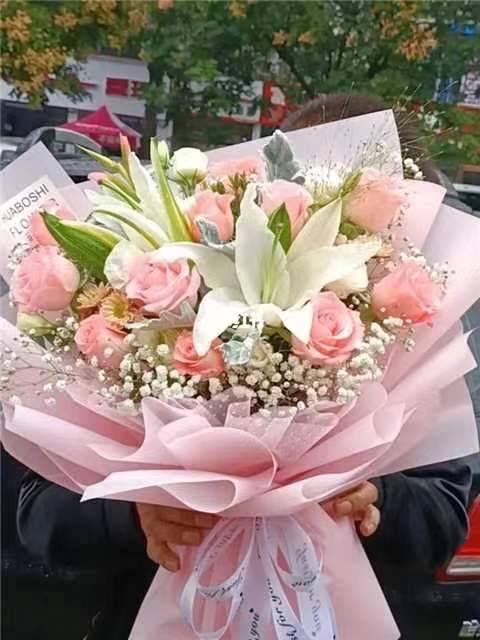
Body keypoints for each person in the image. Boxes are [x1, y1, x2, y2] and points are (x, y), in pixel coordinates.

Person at [16, 94, 479, 640]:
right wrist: (135, 513)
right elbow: (38, 513)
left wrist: (381, 498)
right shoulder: (147, 320)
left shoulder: (418, 345)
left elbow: (446, 514)